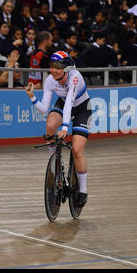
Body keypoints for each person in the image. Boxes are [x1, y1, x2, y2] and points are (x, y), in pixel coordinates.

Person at [25, 51, 91, 207]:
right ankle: (54, 161)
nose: (54, 70)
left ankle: (83, 190)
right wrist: (32, 97)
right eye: (52, 66)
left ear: (67, 68)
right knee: (49, 126)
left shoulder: (75, 77)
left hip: (82, 109)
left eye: (58, 67)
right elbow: (43, 109)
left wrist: (65, 127)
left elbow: (70, 102)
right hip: (63, 105)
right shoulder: (50, 81)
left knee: (76, 150)